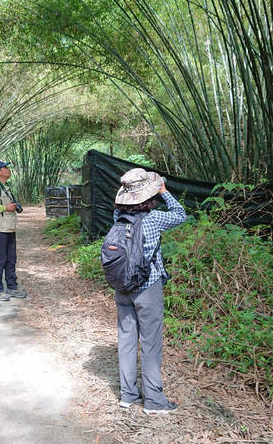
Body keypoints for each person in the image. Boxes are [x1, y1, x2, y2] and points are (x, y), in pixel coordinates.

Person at [112, 168, 186, 414]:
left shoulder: (118, 215)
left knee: (126, 339)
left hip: (122, 286)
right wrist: (164, 192)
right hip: (147, 286)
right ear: (149, 193)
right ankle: (154, 400)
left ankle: (128, 395)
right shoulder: (155, 218)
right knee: (151, 343)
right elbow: (180, 214)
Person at [0, 161, 27, 301]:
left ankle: (12, 287)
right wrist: (5, 207)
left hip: (9, 228)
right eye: (5, 167)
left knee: (11, 259)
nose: (8, 169)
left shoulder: (6, 187)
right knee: (0, 260)